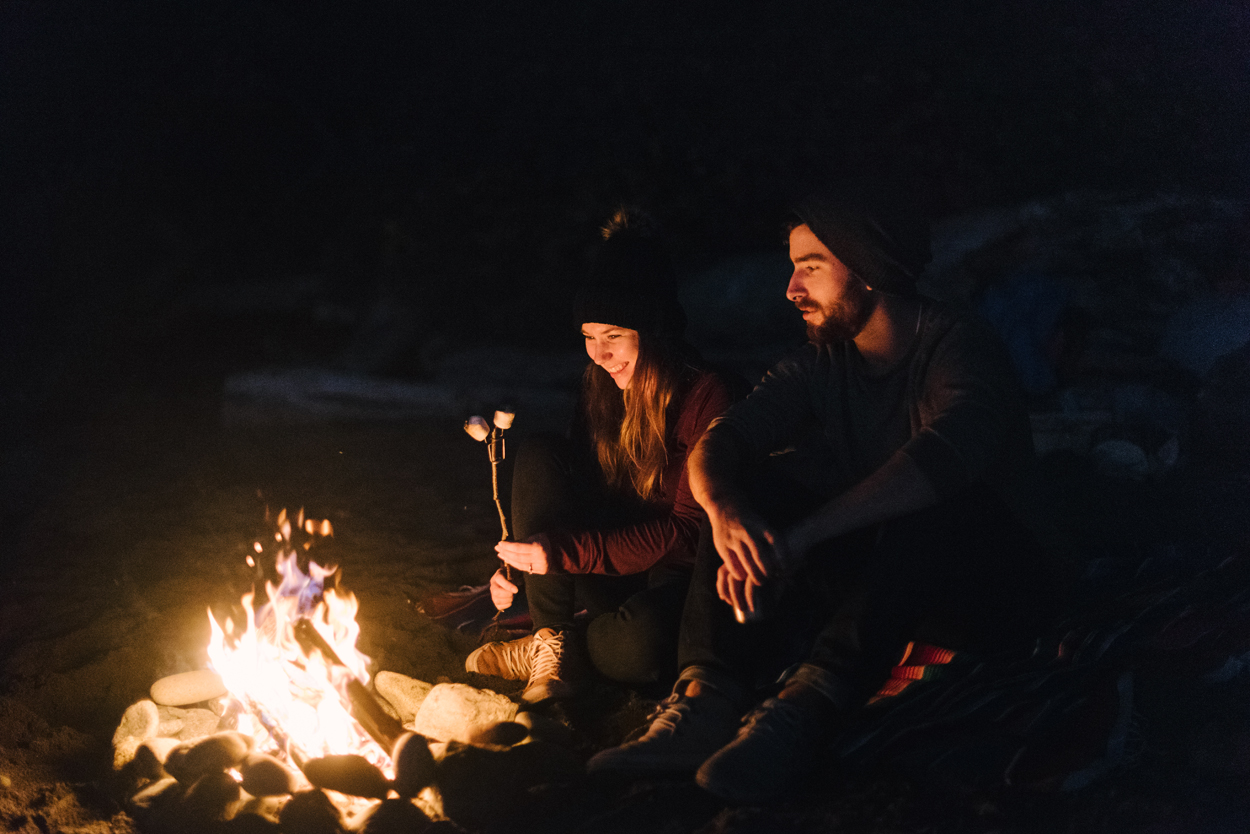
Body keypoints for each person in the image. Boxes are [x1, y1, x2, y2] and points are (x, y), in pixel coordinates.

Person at [587, 187, 1057, 803]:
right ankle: (705, 702)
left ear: (870, 270)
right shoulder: (824, 362)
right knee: (747, 488)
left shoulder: (959, 349)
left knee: (942, 505)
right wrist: (727, 513)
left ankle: (806, 709)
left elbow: (938, 462)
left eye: (810, 267)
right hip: (886, 579)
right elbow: (721, 441)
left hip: (989, 583)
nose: (791, 290)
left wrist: (805, 536)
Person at [465, 210, 735, 704]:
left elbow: (689, 533)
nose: (599, 354)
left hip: (674, 576)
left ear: (652, 331)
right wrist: (523, 564)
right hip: (607, 564)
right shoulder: (601, 388)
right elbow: (576, 493)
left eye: (613, 336)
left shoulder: (707, 394)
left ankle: (554, 647)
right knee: (542, 452)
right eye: (589, 338)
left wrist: (563, 553)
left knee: (643, 649)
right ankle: (552, 641)